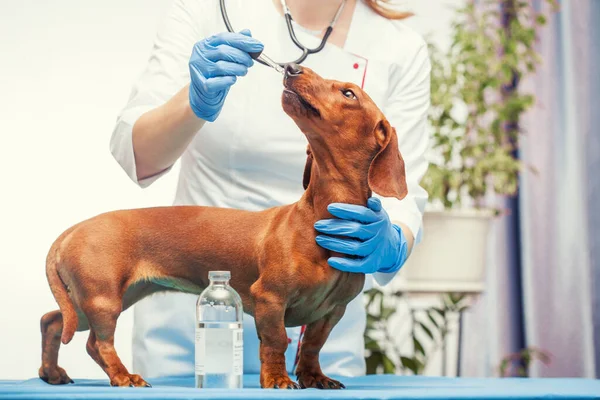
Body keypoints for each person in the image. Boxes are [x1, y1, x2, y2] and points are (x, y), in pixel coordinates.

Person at [110, 0, 431, 379]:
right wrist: (193, 101)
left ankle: (307, 361)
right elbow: (139, 155)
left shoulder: (399, 46)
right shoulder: (207, 10)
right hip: (197, 324)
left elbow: (400, 187)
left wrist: (389, 243)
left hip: (324, 329)